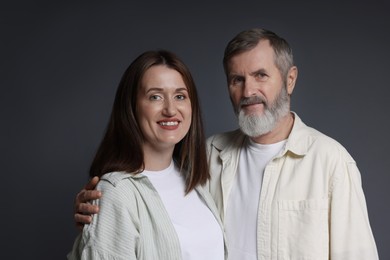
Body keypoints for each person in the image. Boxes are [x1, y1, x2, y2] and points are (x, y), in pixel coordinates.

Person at [73, 29, 379, 259]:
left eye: (261, 75)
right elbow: (140, 195)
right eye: (237, 79)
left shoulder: (330, 162)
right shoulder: (208, 156)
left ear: (289, 80)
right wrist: (104, 204)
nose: (249, 90)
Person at [68, 50, 226, 260]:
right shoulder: (116, 192)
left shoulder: (195, 179)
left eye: (180, 96)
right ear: (131, 108)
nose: (171, 109)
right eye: (155, 97)